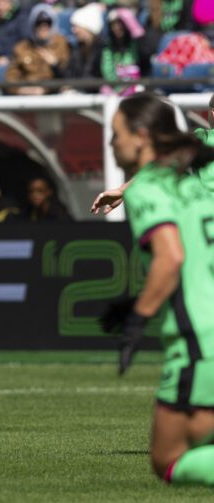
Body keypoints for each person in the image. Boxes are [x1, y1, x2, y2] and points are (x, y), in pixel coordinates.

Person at [99, 92, 214, 487]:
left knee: (168, 458)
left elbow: (171, 257)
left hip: (201, 339)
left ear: (141, 135)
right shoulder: (196, 174)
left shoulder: (153, 185)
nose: (112, 144)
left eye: (116, 134)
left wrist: (138, 318)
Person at [5, 3, 69, 96]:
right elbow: (11, 76)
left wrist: (55, 64)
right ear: (33, 25)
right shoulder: (22, 47)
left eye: (47, 24)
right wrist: (20, 90)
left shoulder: (62, 44)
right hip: (26, 97)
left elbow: (68, 76)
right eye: (39, 24)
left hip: (52, 95)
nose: (43, 28)